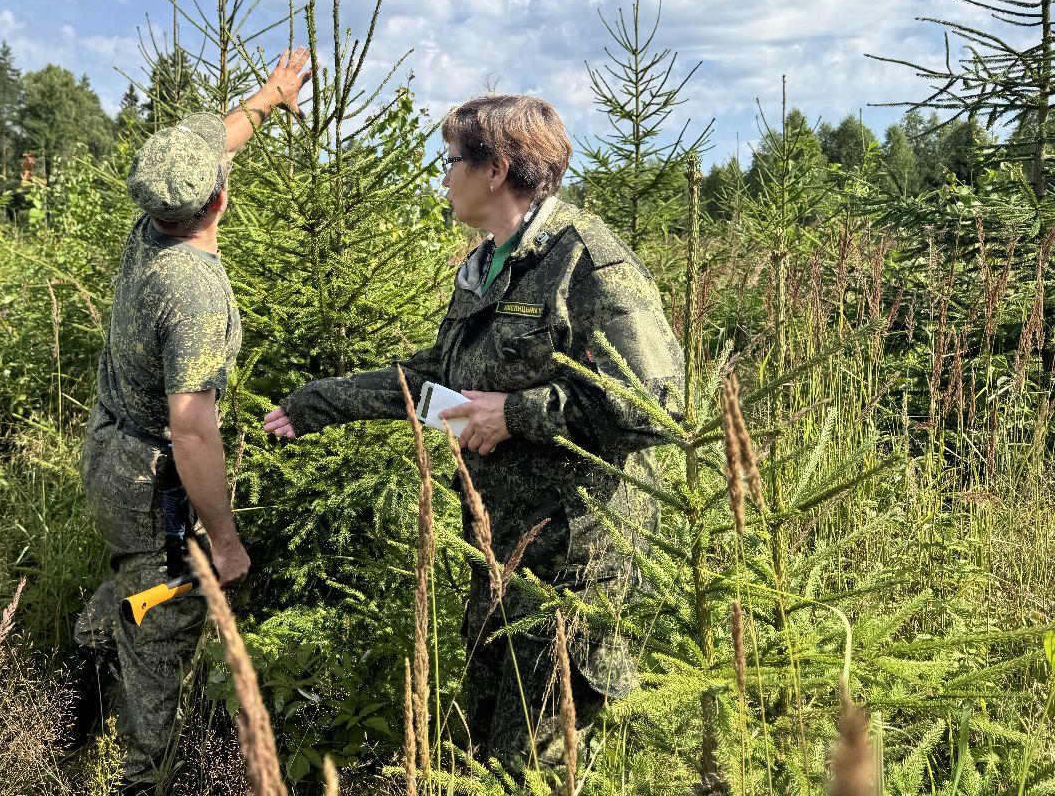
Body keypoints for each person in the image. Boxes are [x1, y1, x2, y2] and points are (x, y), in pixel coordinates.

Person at [262, 93, 683, 774]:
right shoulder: (487, 262)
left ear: (498, 169)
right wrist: (321, 404)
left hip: (569, 569)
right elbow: (445, 388)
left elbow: (655, 406)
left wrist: (514, 415)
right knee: (483, 755)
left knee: (536, 770)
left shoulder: (588, 263)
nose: (444, 175)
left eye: (453, 160)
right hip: (496, 554)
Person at [64, 48, 310, 792]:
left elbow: (217, 139)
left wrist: (271, 96)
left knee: (132, 579)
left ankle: (66, 707)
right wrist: (226, 544)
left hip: (107, 451)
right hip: (151, 481)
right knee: (162, 628)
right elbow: (193, 430)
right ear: (221, 203)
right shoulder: (195, 290)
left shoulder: (150, 226)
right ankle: (140, 777)